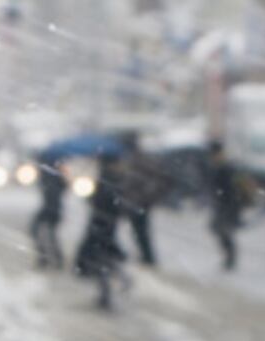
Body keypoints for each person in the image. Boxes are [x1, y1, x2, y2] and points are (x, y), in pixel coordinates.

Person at [75, 154, 129, 310]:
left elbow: (100, 201)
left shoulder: (107, 179)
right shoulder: (111, 180)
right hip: (104, 226)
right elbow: (113, 203)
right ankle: (112, 290)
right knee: (104, 260)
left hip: (102, 226)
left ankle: (111, 291)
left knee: (103, 260)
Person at [120, 133, 167, 268]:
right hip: (136, 202)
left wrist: (146, 197)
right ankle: (146, 256)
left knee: (141, 231)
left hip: (140, 203)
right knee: (139, 231)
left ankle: (148, 257)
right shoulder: (132, 160)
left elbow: (157, 181)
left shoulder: (139, 161)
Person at [206, 140, 251, 271]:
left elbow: (230, 188)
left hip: (228, 205)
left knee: (224, 231)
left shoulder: (226, 167)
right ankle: (229, 257)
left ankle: (230, 258)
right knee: (221, 231)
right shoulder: (222, 166)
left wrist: (230, 203)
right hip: (225, 205)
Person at [30, 156, 66, 269]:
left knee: (38, 231)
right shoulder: (56, 175)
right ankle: (52, 258)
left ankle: (46, 258)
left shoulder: (49, 175)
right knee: (49, 234)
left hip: (51, 209)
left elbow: (52, 193)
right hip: (53, 209)